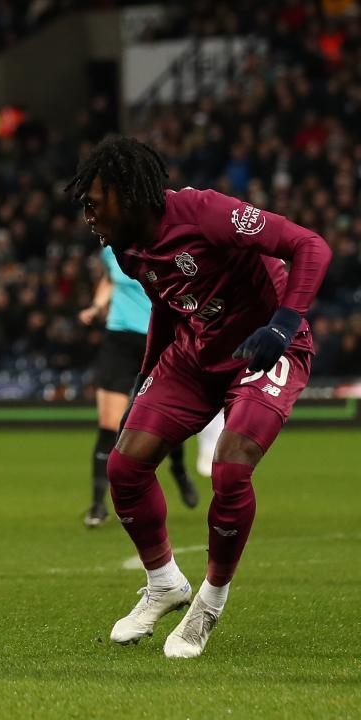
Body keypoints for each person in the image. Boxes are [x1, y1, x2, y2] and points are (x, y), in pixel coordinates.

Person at [66, 136, 331, 658]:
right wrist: (148, 374)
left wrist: (282, 325)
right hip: (197, 352)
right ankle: (164, 583)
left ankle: (208, 603)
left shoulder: (205, 212)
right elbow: (168, 303)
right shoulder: (125, 244)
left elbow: (311, 246)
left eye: (95, 201)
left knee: (231, 470)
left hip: (266, 348)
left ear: (124, 193)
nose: (88, 213)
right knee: (125, 465)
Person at [78, 247, 198, 528]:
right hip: (118, 338)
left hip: (158, 338)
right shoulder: (111, 248)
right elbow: (110, 279)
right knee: (109, 424)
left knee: (165, 422)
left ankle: (178, 470)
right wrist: (97, 306)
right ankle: (98, 504)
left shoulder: (164, 244)